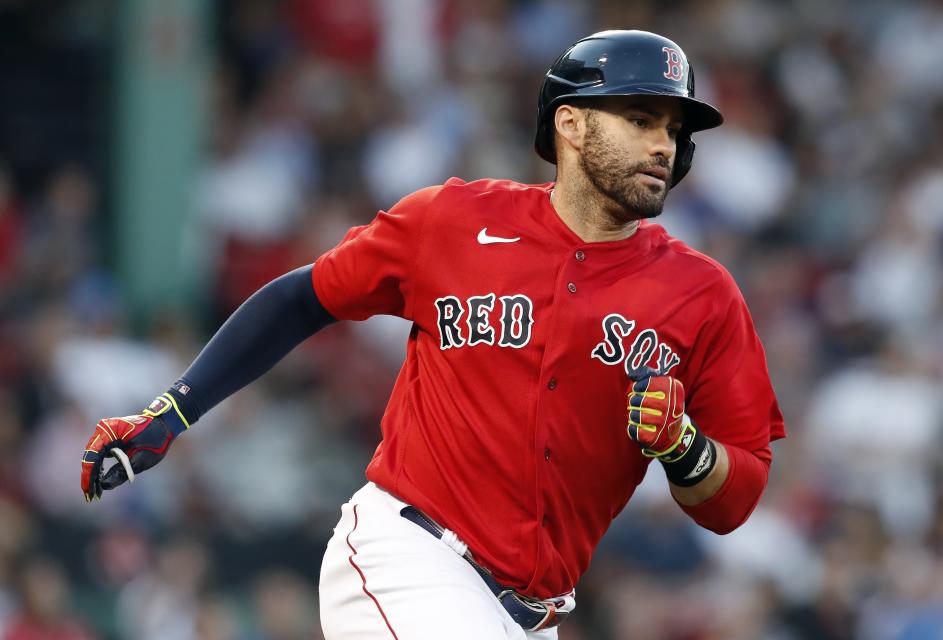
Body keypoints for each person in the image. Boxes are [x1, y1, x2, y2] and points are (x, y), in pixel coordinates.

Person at [81, 30, 785, 639]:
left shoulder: (702, 295)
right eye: (641, 118)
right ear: (570, 124)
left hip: (528, 613)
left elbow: (736, 498)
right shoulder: (451, 221)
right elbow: (305, 297)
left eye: (673, 129)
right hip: (410, 553)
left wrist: (686, 450)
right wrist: (172, 410)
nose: (663, 143)